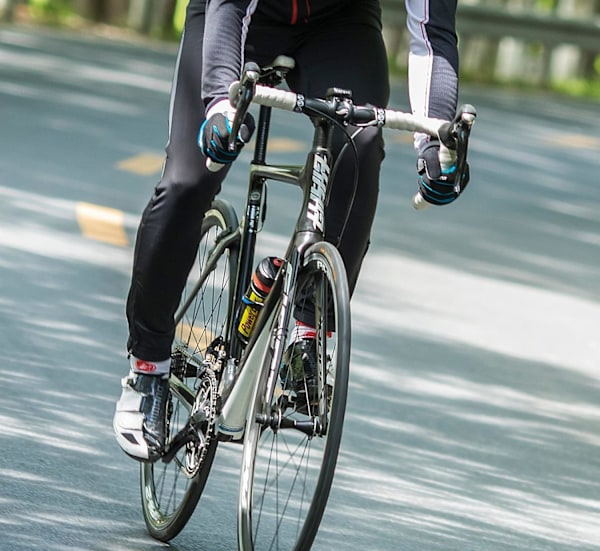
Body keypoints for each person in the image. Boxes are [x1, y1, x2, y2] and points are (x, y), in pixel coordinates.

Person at [113, 0, 470, 462]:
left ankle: (308, 329)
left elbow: (433, 33)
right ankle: (147, 366)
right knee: (189, 181)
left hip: (340, 21)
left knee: (358, 148)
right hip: (242, 17)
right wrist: (221, 103)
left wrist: (436, 141)